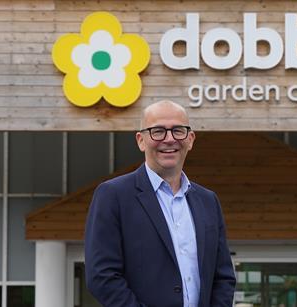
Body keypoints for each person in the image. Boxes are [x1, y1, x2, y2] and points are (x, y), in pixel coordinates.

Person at [85, 100, 236, 307]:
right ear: (141, 140)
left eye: (178, 130)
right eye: (158, 131)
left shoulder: (208, 201)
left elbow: (223, 277)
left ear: (190, 139)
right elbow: (102, 276)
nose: (169, 139)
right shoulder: (113, 195)